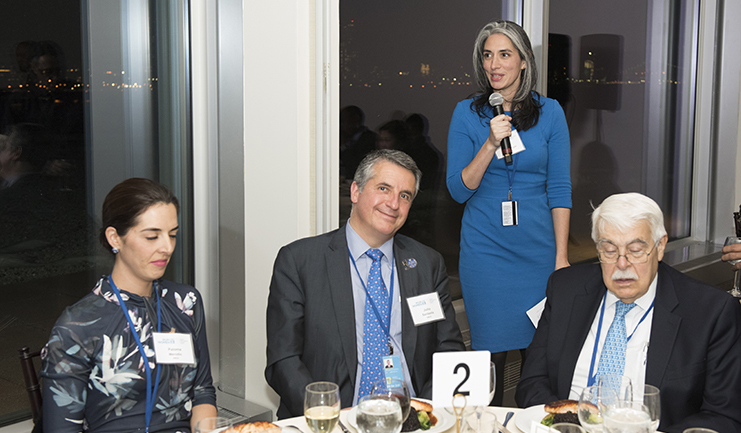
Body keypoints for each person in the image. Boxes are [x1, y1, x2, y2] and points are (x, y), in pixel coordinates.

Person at [515, 193, 741, 432]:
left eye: (635, 250)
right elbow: (531, 383)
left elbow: (723, 416)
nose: (622, 265)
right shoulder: (565, 290)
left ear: (660, 246)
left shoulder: (711, 312)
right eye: (610, 250)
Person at [265, 149, 465, 418]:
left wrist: (421, 412)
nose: (393, 203)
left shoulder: (427, 263)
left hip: (410, 416)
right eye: (384, 188)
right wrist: (327, 414)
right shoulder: (300, 261)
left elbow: (449, 350)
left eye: (404, 196)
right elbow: (283, 359)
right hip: (331, 418)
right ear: (356, 192)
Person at [446, 20, 571, 404]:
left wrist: (561, 256)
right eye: (487, 55)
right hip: (486, 253)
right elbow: (457, 189)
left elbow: (560, 188)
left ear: (523, 61)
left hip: (538, 251)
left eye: (504, 54)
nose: (494, 64)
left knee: (538, 360)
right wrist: (489, 143)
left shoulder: (550, 113)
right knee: (490, 360)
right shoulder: (467, 113)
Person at [40, 178, 216, 432]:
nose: (167, 247)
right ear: (115, 238)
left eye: (173, 235)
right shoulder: (78, 326)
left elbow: (202, 393)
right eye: (152, 236)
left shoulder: (185, 303)